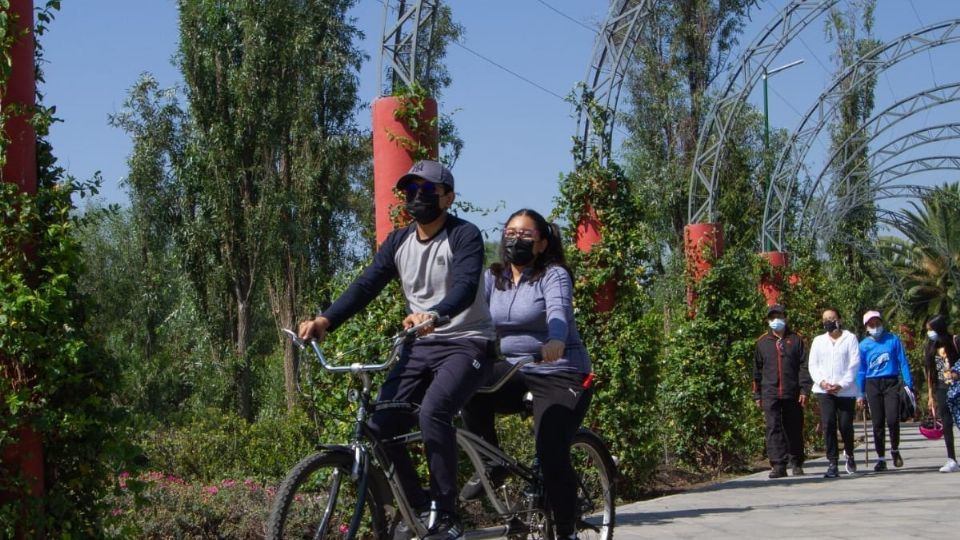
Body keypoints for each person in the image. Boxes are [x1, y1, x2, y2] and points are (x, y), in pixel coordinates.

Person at [298, 160, 495, 540]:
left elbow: (467, 285)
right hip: (421, 343)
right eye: (410, 192)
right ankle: (418, 506)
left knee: (434, 411)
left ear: (447, 197)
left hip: (466, 340)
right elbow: (366, 284)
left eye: (426, 192)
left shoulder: (463, 235)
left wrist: (436, 314)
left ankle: (446, 510)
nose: (416, 199)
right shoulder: (399, 241)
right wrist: (326, 320)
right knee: (379, 427)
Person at [460, 209, 591, 540]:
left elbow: (558, 312)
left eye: (526, 235)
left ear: (543, 244)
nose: (515, 240)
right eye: (510, 233)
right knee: (466, 383)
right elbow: (473, 318)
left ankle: (565, 530)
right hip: (515, 368)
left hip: (560, 370)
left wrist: (556, 339)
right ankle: (494, 465)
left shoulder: (554, 275)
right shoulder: (493, 277)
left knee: (550, 450)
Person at [753, 304, 812, 479]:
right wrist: (757, 394)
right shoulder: (762, 342)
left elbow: (804, 366)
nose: (775, 320)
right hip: (769, 392)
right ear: (768, 321)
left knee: (793, 427)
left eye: (778, 316)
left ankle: (796, 462)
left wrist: (804, 389)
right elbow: (757, 369)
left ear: (785, 317)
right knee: (773, 428)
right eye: (772, 318)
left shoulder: (796, 340)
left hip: (792, 391)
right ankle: (778, 464)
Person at [857, 310, 914, 472]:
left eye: (877, 323)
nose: (875, 327)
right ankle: (881, 458)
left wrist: (908, 384)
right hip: (872, 383)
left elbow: (902, 361)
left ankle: (895, 449)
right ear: (867, 327)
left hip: (891, 381)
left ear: (882, 323)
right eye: (871, 325)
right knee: (878, 423)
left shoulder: (893, 339)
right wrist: (860, 393)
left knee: (892, 419)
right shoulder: (863, 345)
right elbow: (861, 370)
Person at [808, 308, 861, 478]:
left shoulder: (850, 338)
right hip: (824, 390)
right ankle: (832, 462)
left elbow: (854, 364)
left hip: (845, 391)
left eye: (831, 318)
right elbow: (813, 365)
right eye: (825, 319)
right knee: (828, 424)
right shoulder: (818, 341)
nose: (828, 322)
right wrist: (822, 382)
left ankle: (850, 454)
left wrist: (841, 384)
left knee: (845, 425)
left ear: (839, 319)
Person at [924, 314, 960, 472]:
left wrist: (956, 373)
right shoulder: (931, 346)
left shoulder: (955, 341)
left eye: (931, 330)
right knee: (946, 424)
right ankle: (951, 459)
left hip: (957, 388)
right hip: (941, 388)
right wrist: (931, 395)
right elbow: (930, 372)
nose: (929, 333)